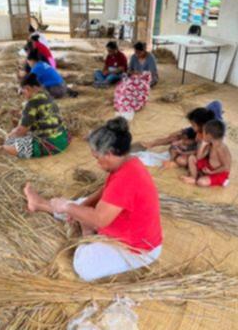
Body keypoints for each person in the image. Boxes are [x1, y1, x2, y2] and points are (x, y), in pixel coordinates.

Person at [24, 117, 163, 281]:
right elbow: (106, 190)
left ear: (109, 153)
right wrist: (83, 205)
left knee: (84, 267)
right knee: (80, 206)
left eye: (97, 157)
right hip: (130, 228)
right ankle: (40, 204)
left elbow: (100, 220)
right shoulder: (128, 162)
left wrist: (70, 208)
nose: (97, 163)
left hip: (140, 249)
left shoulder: (126, 178)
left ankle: (87, 233)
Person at [2, 74, 70, 159]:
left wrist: (9, 136)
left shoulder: (31, 103)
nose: (22, 95)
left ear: (27, 88)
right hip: (64, 138)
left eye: (22, 91)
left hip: (52, 144)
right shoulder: (46, 95)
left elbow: (21, 131)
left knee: (7, 146)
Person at [181, 120, 231, 187]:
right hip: (209, 167)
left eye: (203, 132)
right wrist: (203, 144)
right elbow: (199, 157)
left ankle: (202, 178)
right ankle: (193, 177)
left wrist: (212, 172)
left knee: (201, 182)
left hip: (219, 172)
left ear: (209, 135)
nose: (202, 134)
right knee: (192, 158)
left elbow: (226, 167)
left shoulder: (221, 148)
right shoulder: (210, 144)